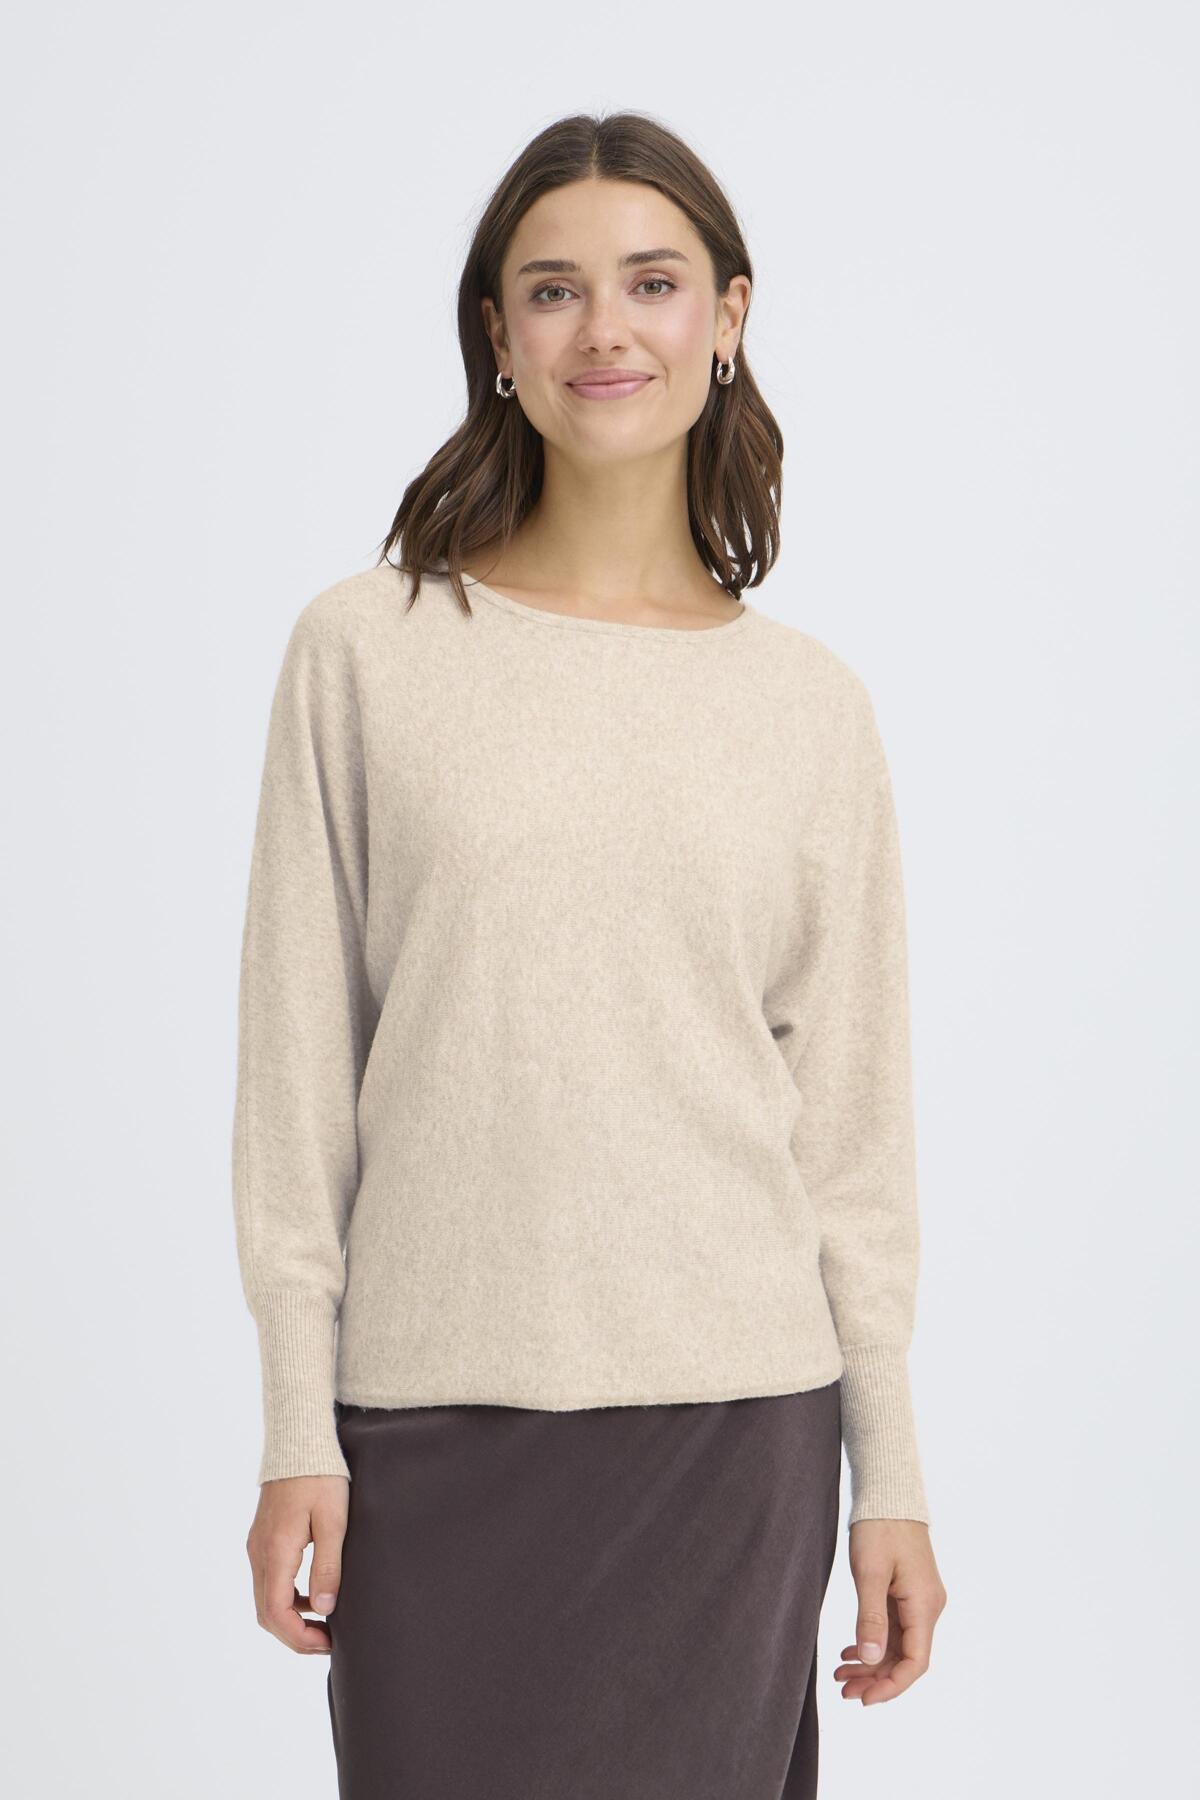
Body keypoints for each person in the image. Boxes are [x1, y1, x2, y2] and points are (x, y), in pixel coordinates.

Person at [233, 110, 947, 1799]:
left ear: (730, 315)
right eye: (553, 290)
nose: (604, 329)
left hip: (735, 1429)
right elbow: (295, 1082)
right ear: (498, 332)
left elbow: (851, 1143)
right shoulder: (367, 651)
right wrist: (293, 1425)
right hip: (433, 1423)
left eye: (652, 282)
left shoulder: (809, 708)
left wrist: (895, 1478)